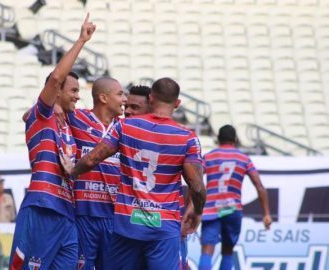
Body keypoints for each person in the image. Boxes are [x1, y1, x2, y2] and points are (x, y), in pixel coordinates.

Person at [62, 78, 207, 269]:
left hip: (127, 224)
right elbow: (196, 186)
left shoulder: (125, 127)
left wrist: (73, 170)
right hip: (163, 227)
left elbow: (92, 159)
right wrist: (197, 212)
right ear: (177, 104)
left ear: (151, 98)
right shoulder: (187, 138)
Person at [9, 14, 95, 270]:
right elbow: (56, 77)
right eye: (74, 91)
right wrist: (81, 40)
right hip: (42, 206)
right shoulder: (41, 114)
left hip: (67, 213)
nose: (78, 97)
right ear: (56, 91)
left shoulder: (69, 122)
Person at [65, 77, 126, 270]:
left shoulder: (125, 128)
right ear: (103, 98)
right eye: (120, 94)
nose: (124, 99)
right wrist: (57, 107)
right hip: (83, 212)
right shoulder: (77, 117)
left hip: (114, 216)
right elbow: (33, 115)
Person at [198, 125, 272, 270]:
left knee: (207, 249)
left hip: (211, 209)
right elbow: (260, 187)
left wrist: (193, 207)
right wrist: (267, 214)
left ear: (218, 139)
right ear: (235, 140)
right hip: (232, 209)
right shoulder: (244, 159)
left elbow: (196, 182)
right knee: (228, 250)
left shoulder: (209, 157)